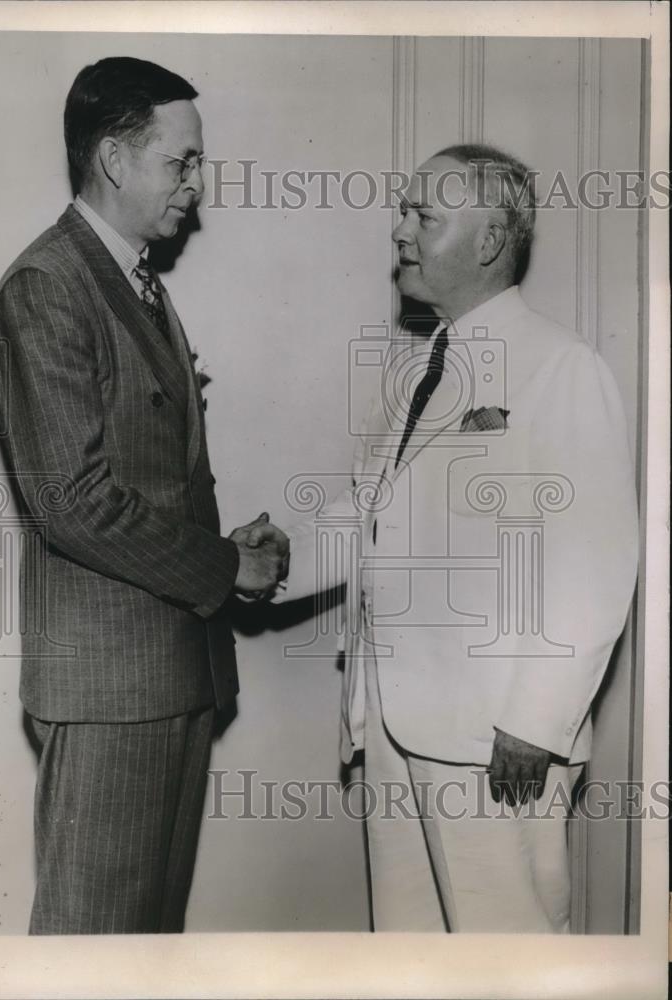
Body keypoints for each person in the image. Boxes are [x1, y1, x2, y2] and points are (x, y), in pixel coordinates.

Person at [271, 144, 638, 932]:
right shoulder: (414, 373)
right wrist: (269, 564)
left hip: (494, 741)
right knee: (410, 956)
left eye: (423, 217)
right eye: (403, 212)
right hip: (391, 724)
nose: (399, 231)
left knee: (509, 954)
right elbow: (369, 515)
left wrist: (535, 725)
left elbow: (598, 562)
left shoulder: (561, 368)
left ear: (487, 242)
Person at [0, 56, 288, 935]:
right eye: (181, 161)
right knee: (91, 951)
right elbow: (73, 502)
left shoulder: (133, 282)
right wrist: (227, 565)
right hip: (113, 689)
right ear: (115, 159)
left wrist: (229, 543)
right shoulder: (49, 286)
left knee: (142, 951)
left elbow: (142, 473)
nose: (197, 183)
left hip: (169, 678)